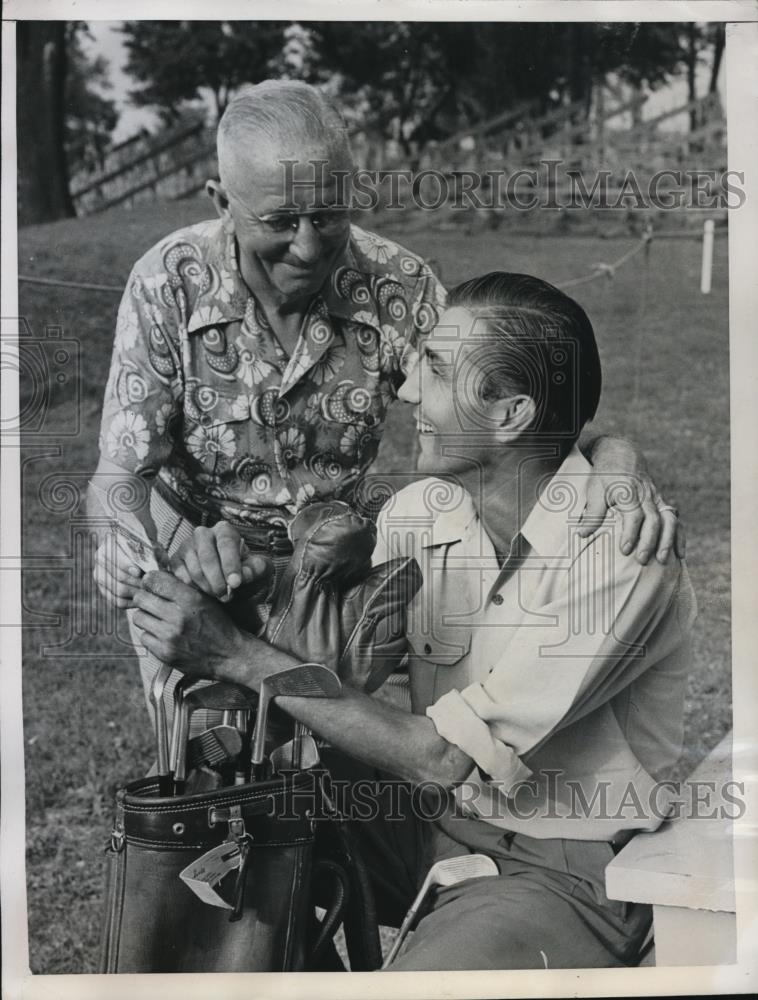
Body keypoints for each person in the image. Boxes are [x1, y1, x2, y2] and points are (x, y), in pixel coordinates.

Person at [131, 271, 696, 970]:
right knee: (212, 833)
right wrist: (240, 594)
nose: (403, 392)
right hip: (430, 820)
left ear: (511, 416)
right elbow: (322, 666)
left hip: (569, 866)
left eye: (434, 369)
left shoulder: (621, 550)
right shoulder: (423, 510)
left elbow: (440, 759)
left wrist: (237, 655)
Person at [89, 79, 682, 724]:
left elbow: (513, 399)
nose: (310, 246)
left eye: (329, 214)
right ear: (221, 201)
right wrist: (130, 557)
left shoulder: (395, 283)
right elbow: (120, 472)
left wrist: (619, 462)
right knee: (207, 747)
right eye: (281, 221)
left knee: (330, 732)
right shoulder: (166, 281)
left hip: (332, 554)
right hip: (197, 545)